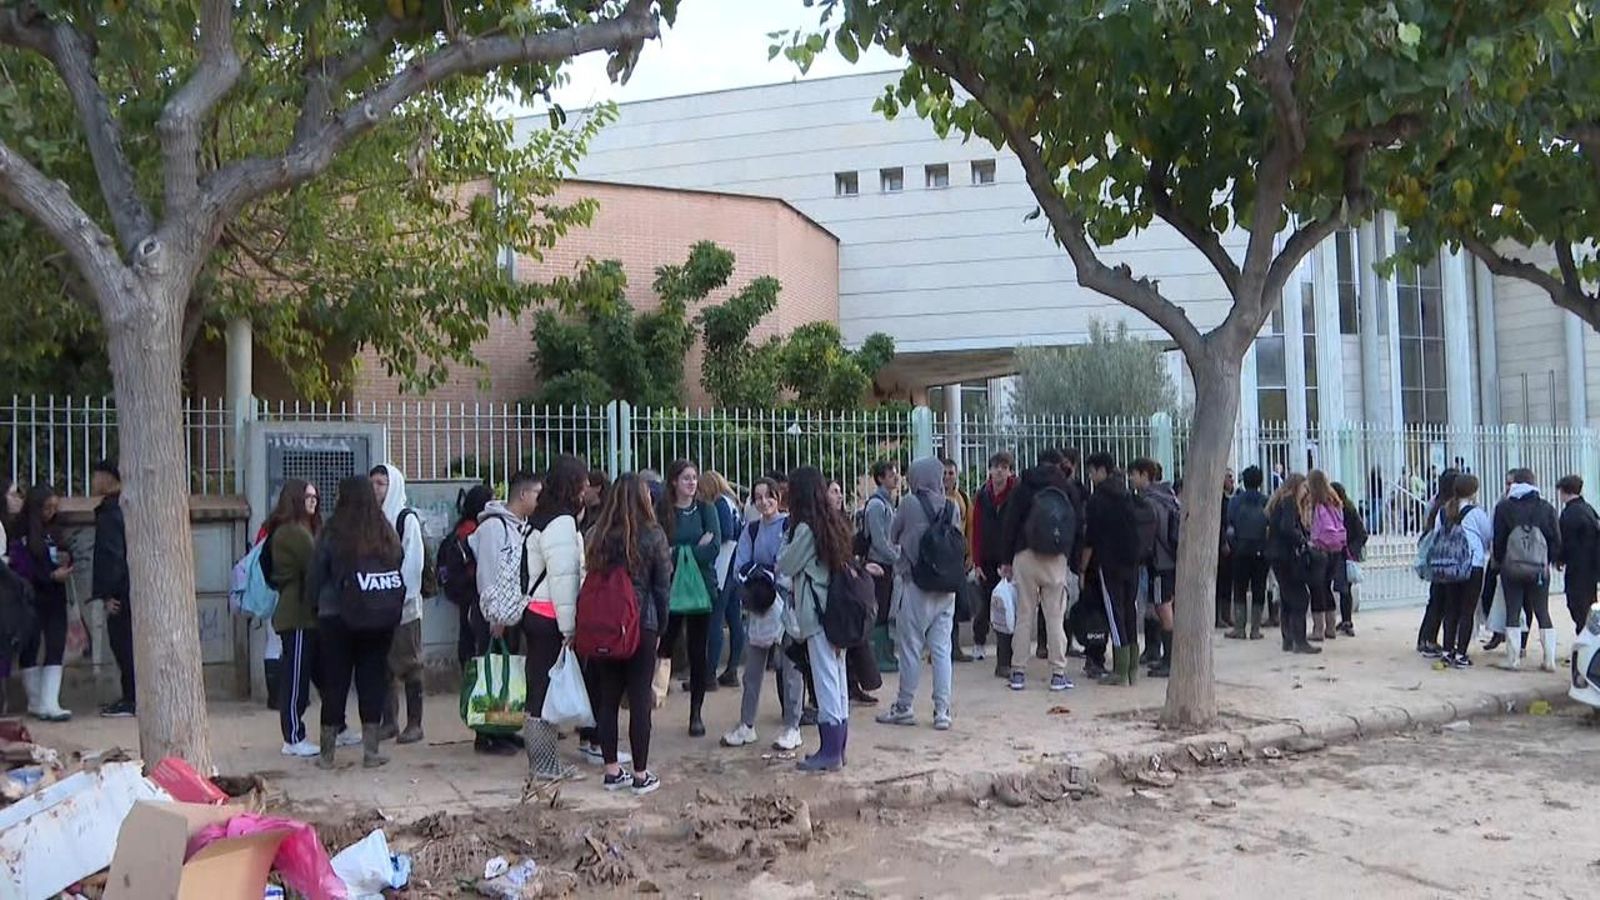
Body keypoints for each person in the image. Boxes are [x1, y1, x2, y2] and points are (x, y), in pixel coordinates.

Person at [307, 476, 403, 769]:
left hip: (335, 617)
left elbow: (316, 574)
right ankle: (371, 751)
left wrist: (314, 605)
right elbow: (397, 559)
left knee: (335, 682)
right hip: (378, 616)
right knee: (372, 680)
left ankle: (327, 755)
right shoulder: (384, 529)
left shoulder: (333, 531)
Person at [584, 473, 669, 796]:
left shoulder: (597, 534)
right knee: (639, 700)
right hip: (641, 625)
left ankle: (611, 770)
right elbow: (662, 588)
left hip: (603, 625)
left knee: (607, 697)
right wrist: (661, 627)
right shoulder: (653, 535)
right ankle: (640, 773)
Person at [877, 457, 962, 729]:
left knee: (911, 649)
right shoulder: (951, 506)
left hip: (916, 585)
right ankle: (942, 711)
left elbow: (892, 536)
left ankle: (904, 706)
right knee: (941, 649)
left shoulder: (909, 504)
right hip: (947, 588)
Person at [780, 466, 855, 773]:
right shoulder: (832, 523)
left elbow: (786, 563)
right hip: (837, 612)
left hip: (818, 614)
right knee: (838, 681)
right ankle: (840, 747)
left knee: (825, 682)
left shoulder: (804, 530)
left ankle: (829, 752)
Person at [721, 477, 805, 751]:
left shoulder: (788, 526)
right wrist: (764, 572)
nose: (764, 502)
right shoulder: (752, 529)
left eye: (769, 496)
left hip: (785, 607)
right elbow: (740, 566)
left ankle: (793, 725)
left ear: (778, 497)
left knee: (791, 669)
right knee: (752, 671)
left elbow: (786, 564)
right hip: (759, 606)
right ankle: (746, 725)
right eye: (758, 497)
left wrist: (764, 571)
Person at [521, 455, 588, 779]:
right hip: (550, 616)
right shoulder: (561, 522)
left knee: (538, 688)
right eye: (582, 481)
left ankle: (542, 762)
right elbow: (564, 579)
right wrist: (570, 628)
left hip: (536, 612)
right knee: (544, 692)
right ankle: (546, 765)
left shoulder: (539, 517)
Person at [998, 449, 1077, 692]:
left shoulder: (1023, 486)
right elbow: (1077, 523)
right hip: (1055, 558)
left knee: (1024, 615)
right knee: (1055, 617)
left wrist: (1006, 560)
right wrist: (1071, 559)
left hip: (1025, 554)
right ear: (1057, 464)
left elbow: (1010, 522)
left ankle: (1018, 672)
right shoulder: (1066, 487)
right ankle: (1058, 673)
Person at [472, 475, 540, 751]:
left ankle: (504, 726)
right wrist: (495, 616)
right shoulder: (493, 527)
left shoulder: (522, 527)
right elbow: (487, 572)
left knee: (509, 674)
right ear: (522, 494)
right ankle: (486, 734)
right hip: (494, 613)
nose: (539, 499)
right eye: (537, 493)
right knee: (493, 673)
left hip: (514, 610)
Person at [656, 459, 720, 737]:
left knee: (698, 650)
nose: (692, 483)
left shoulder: (706, 509)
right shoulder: (664, 511)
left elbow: (714, 547)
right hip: (669, 589)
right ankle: (649, 695)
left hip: (700, 589)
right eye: (686, 478)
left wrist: (680, 552)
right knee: (662, 644)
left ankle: (696, 712)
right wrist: (693, 549)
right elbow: (659, 549)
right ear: (673, 482)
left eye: (694, 478)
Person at [262, 479, 323, 756]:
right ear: (296, 499)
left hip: (303, 613)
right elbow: (316, 564)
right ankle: (293, 737)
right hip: (296, 615)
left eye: (315, 496)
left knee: (310, 673)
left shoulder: (297, 530)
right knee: (296, 676)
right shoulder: (293, 532)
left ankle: (333, 727)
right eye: (308, 496)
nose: (314, 500)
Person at [370, 465, 426, 745]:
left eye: (382, 483)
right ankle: (389, 721)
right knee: (383, 666)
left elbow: (413, 565)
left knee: (410, 664)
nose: (377, 488)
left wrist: (399, 597)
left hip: (404, 608)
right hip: (378, 608)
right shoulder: (371, 520)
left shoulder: (406, 520)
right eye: (374, 483)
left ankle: (415, 723)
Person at [11, 485, 73, 720]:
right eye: (47, 508)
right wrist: (48, 576)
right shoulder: (23, 530)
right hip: (31, 596)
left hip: (56, 596)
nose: (51, 512)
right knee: (31, 645)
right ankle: (36, 701)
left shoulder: (56, 530)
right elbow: (21, 565)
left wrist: (66, 564)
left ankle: (51, 702)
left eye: (55, 508)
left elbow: (66, 552)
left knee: (56, 644)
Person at [1492, 468, 1561, 671]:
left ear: (1514, 484)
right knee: (1542, 611)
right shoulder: (1546, 507)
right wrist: (1550, 560)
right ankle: (1549, 659)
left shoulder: (1504, 507)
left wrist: (1499, 560)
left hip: (1511, 568)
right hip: (1539, 569)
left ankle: (1513, 659)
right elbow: (1555, 539)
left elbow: (1499, 539)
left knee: (1513, 611)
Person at [1083, 453, 1142, 683]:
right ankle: (1133, 670)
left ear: (1102, 471)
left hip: (1109, 564)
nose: (1090, 475)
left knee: (1115, 614)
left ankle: (1119, 671)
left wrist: (1083, 568)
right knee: (1129, 611)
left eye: (1092, 471)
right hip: (1132, 563)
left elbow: (1091, 537)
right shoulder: (1127, 495)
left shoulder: (1098, 499)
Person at [1433, 474, 1493, 668]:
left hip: (1449, 566)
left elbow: (1436, 534)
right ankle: (1461, 654)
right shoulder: (1476, 513)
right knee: (1467, 611)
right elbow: (1487, 537)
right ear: (1474, 492)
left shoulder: (1443, 512)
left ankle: (1447, 651)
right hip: (1472, 564)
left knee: (1451, 609)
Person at [89, 461, 134, 718]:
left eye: (96, 476)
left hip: (121, 592)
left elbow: (111, 556)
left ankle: (131, 698)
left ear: (108, 478)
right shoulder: (124, 507)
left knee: (123, 644)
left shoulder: (110, 512)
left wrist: (109, 594)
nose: (93, 481)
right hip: (130, 588)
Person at [1129, 458, 1179, 677]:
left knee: (1163, 608)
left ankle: (1170, 660)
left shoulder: (1150, 502)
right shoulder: (1169, 497)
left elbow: (1151, 535)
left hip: (1160, 563)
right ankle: (1159, 653)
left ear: (1145, 475)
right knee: (1159, 606)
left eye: (1134, 474)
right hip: (1169, 561)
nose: (1131, 478)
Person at [701, 469, 746, 691]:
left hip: (724, 565)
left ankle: (709, 674)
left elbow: (726, 532)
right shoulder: (732, 502)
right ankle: (732, 669)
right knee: (734, 617)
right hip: (735, 564)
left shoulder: (719, 504)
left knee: (716, 620)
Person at [1266, 473, 1320, 654]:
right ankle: (1299, 640)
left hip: (1277, 556)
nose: (1306, 492)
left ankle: (1288, 639)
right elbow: (1287, 527)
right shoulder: (1289, 502)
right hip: (1286, 557)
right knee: (1300, 597)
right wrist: (1303, 542)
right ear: (1297, 486)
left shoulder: (1279, 502)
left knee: (1287, 598)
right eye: (1304, 487)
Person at [860, 459, 901, 684]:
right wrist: (897, 556)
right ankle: (878, 655)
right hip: (879, 564)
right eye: (891, 474)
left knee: (886, 609)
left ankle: (885, 653)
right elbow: (879, 540)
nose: (896, 477)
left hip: (887, 563)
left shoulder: (887, 502)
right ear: (881, 478)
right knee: (880, 609)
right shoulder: (877, 505)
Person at [1416, 469, 1461, 657]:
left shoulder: (1434, 502)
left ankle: (1425, 638)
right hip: (1445, 556)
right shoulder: (1448, 507)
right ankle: (1429, 639)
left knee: (1435, 599)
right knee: (1440, 600)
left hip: (1435, 556)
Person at [1226, 466, 1271, 640]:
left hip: (1240, 550)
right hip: (1261, 551)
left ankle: (1239, 627)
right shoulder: (1266, 501)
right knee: (1259, 587)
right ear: (1260, 482)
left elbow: (1230, 526)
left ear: (1244, 481)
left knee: (1239, 588)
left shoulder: (1235, 501)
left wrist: (1233, 545)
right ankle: (1255, 629)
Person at [1304, 470, 1346, 643]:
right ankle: (1331, 627)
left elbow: (1308, 525)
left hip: (1320, 549)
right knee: (1327, 587)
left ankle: (1318, 629)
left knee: (1317, 589)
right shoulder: (1335, 502)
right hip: (1336, 549)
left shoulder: (1315, 504)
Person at [1556, 475, 1600, 634]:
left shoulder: (1569, 514)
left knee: (1577, 605)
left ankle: (1586, 637)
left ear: (1563, 491)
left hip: (1577, 567)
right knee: (1588, 604)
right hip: (1591, 567)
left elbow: (1565, 540)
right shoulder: (1588, 509)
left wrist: (1559, 558)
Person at [941, 458, 975, 663]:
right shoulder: (933, 498)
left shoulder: (963, 498)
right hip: (940, 557)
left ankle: (954, 647)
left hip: (958, 556)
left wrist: (970, 554)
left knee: (955, 604)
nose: (947, 477)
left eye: (950, 473)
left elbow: (970, 528)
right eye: (943, 473)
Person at [1330, 482, 1368, 637]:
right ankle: (1346, 620)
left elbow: (1362, 534)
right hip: (1340, 552)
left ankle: (1347, 621)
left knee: (1344, 588)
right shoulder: (1337, 510)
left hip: (1345, 553)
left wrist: (1350, 549)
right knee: (1343, 588)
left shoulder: (1348, 510)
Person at [1216, 468, 1236, 629]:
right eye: (1228, 477)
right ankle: (1218, 616)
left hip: (1233, 543)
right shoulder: (1218, 499)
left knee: (1228, 581)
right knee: (1219, 581)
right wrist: (1223, 542)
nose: (1232, 480)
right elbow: (1218, 523)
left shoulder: (1235, 497)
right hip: (1221, 544)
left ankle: (1227, 614)